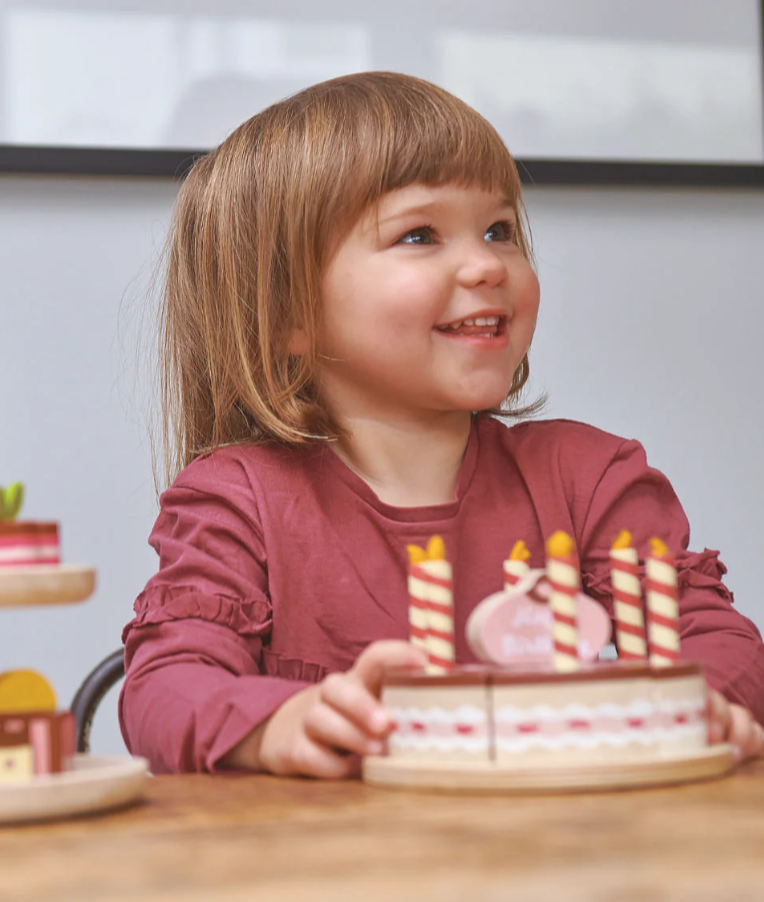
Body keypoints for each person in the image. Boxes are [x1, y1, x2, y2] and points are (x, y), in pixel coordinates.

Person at [118, 71, 764, 777]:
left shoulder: (590, 477)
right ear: (285, 315)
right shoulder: (238, 499)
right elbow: (165, 687)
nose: (487, 264)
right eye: (420, 234)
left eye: (499, 229)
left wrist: (703, 700)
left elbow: (715, 640)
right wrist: (276, 723)